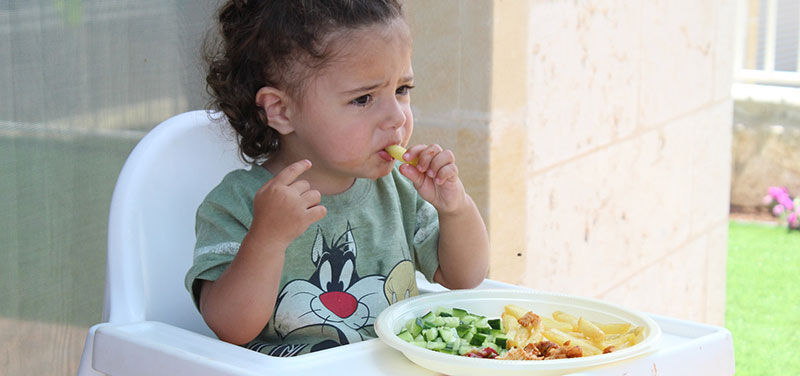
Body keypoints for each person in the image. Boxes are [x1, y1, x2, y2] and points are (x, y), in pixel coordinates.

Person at [184, 0, 489, 357]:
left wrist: (455, 209)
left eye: (402, 90)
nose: (396, 117)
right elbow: (230, 327)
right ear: (281, 110)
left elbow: (465, 277)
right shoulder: (238, 203)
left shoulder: (400, 189)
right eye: (363, 99)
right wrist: (266, 239)